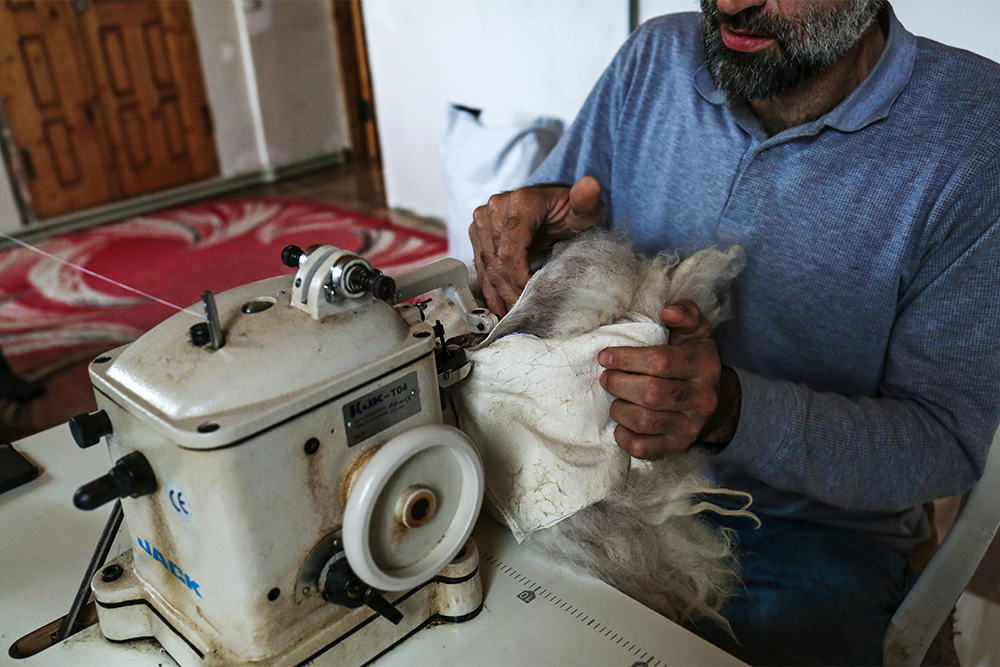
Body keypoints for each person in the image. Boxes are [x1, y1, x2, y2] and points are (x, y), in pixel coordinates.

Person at [469, 1, 1000, 665]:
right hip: (603, 486)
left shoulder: (975, 136)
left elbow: (941, 443)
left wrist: (730, 411)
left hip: (808, 532)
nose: (728, 4)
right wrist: (530, 239)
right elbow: (569, 226)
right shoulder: (656, 60)